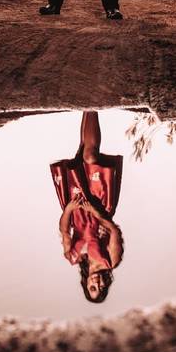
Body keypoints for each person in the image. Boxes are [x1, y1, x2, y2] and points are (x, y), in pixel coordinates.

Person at [49, 111, 124, 302]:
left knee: (81, 154)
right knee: (90, 157)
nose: (97, 283)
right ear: (106, 285)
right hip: (100, 206)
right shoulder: (111, 262)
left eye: (92, 288)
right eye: (100, 288)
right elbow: (114, 232)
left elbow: (64, 231)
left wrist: (68, 209)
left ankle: (87, 107)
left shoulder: (73, 257)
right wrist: (96, 212)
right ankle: (93, 107)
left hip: (76, 208)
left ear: (85, 285)